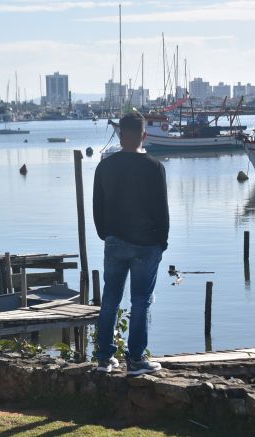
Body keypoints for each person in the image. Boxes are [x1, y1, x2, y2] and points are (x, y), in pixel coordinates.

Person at [92, 111, 169, 375]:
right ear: (144, 135)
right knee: (140, 302)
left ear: (120, 133)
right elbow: (162, 209)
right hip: (146, 244)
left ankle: (104, 358)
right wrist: (162, 242)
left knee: (110, 300)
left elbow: (97, 207)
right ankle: (135, 360)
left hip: (114, 240)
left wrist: (106, 234)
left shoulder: (104, 166)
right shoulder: (154, 167)